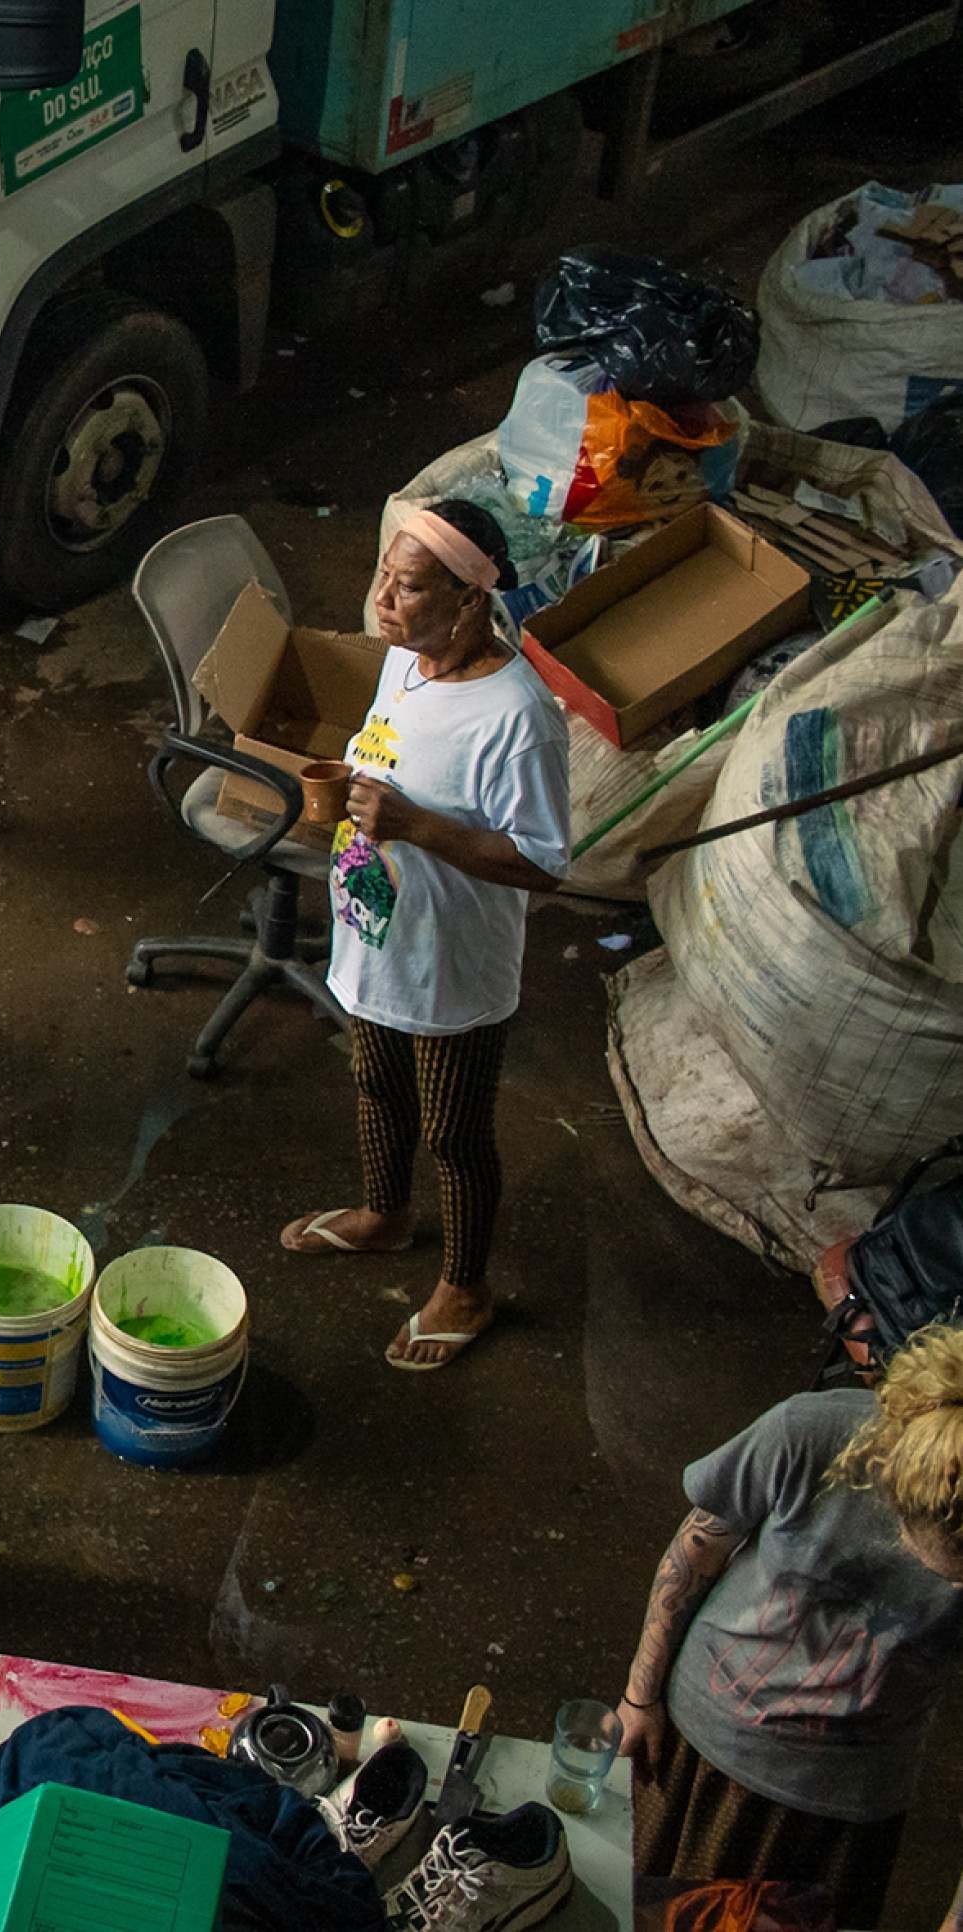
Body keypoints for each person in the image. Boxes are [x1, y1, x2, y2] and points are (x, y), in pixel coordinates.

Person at [275, 498, 570, 1371]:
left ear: (469, 599)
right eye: (383, 575)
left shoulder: (516, 716)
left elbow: (543, 862)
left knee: (453, 1132)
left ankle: (466, 1287)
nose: (382, 599)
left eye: (406, 587)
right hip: (376, 938)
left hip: (451, 967)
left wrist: (415, 827)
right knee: (374, 1083)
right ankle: (384, 1214)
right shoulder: (404, 662)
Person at [616, 1327, 963, 1929]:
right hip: (708, 1748)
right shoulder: (807, 1432)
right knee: (648, 1913)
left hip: (851, 1797)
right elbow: (696, 1551)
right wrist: (640, 1696)